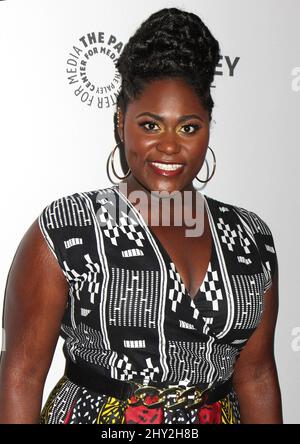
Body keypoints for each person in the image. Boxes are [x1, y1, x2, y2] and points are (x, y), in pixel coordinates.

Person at [0, 7, 282, 424]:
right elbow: (20, 375)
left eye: (189, 127)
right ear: (121, 121)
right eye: (151, 125)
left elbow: (257, 376)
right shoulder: (69, 228)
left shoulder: (251, 236)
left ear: (208, 127)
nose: (170, 146)